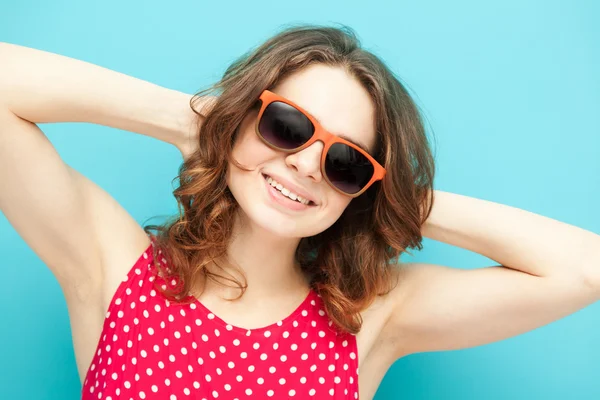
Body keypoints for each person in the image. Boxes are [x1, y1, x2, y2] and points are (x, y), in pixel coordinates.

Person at [0, 24, 598, 400]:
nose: (309, 165)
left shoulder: (370, 320)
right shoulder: (113, 267)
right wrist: (194, 120)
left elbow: (582, 269)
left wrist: (391, 200)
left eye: (346, 162)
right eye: (285, 126)